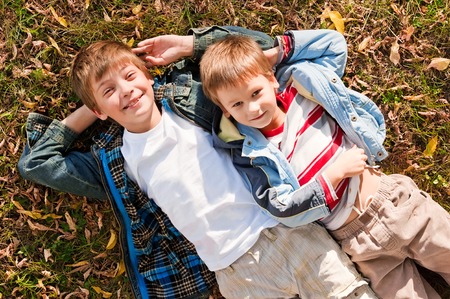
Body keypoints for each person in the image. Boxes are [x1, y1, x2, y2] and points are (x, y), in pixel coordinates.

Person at [18, 27, 377, 299]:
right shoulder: (115, 163)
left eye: (129, 77)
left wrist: (188, 45)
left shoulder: (191, 98)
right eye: (109, 91)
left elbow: (250, 50)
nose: (126, 91)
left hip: (283, 230)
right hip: (232, 273)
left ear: (146, 74)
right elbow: (38, 163)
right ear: (99, 110)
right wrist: (90, 109)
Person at [200, 33, 450, 298]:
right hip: (357, 244)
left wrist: (270, 56)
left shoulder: (300, 91)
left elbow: (333, 45)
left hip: (393, 202)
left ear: (271, 79)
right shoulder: (251, 154)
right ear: (225, 110)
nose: (252, 108)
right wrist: (333, 174)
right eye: (237, 104)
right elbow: (281, 207)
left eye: (256, 92)